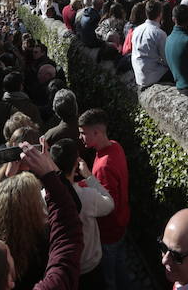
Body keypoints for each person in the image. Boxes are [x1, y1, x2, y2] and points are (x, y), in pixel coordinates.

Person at [0, 142, 83, 290]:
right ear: (9, 281)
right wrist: (50, 171)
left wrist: (7, 180)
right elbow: (69, 226)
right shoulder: (42, 242)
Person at [49, 138, 114, 290]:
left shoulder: (42, 195)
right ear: (75, 164)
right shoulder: (87, 196)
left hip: (61, 269)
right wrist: (89, 177)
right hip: (89, 268)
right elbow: (109, 204)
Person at [78, 108, 130, 290]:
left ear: (97, 132)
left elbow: (108, 204)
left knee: (109, 278)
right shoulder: (115, 145)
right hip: (122, 223)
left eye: (83, 133)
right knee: (121, 268)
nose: (81, 137)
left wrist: (86, 178)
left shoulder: (103, 167)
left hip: (109, 232)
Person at [131, 0, 170, 87]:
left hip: (138, 74)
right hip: (153, 75)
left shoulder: (136, 30)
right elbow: (167, 60)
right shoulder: (159, 33)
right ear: (160, 14)